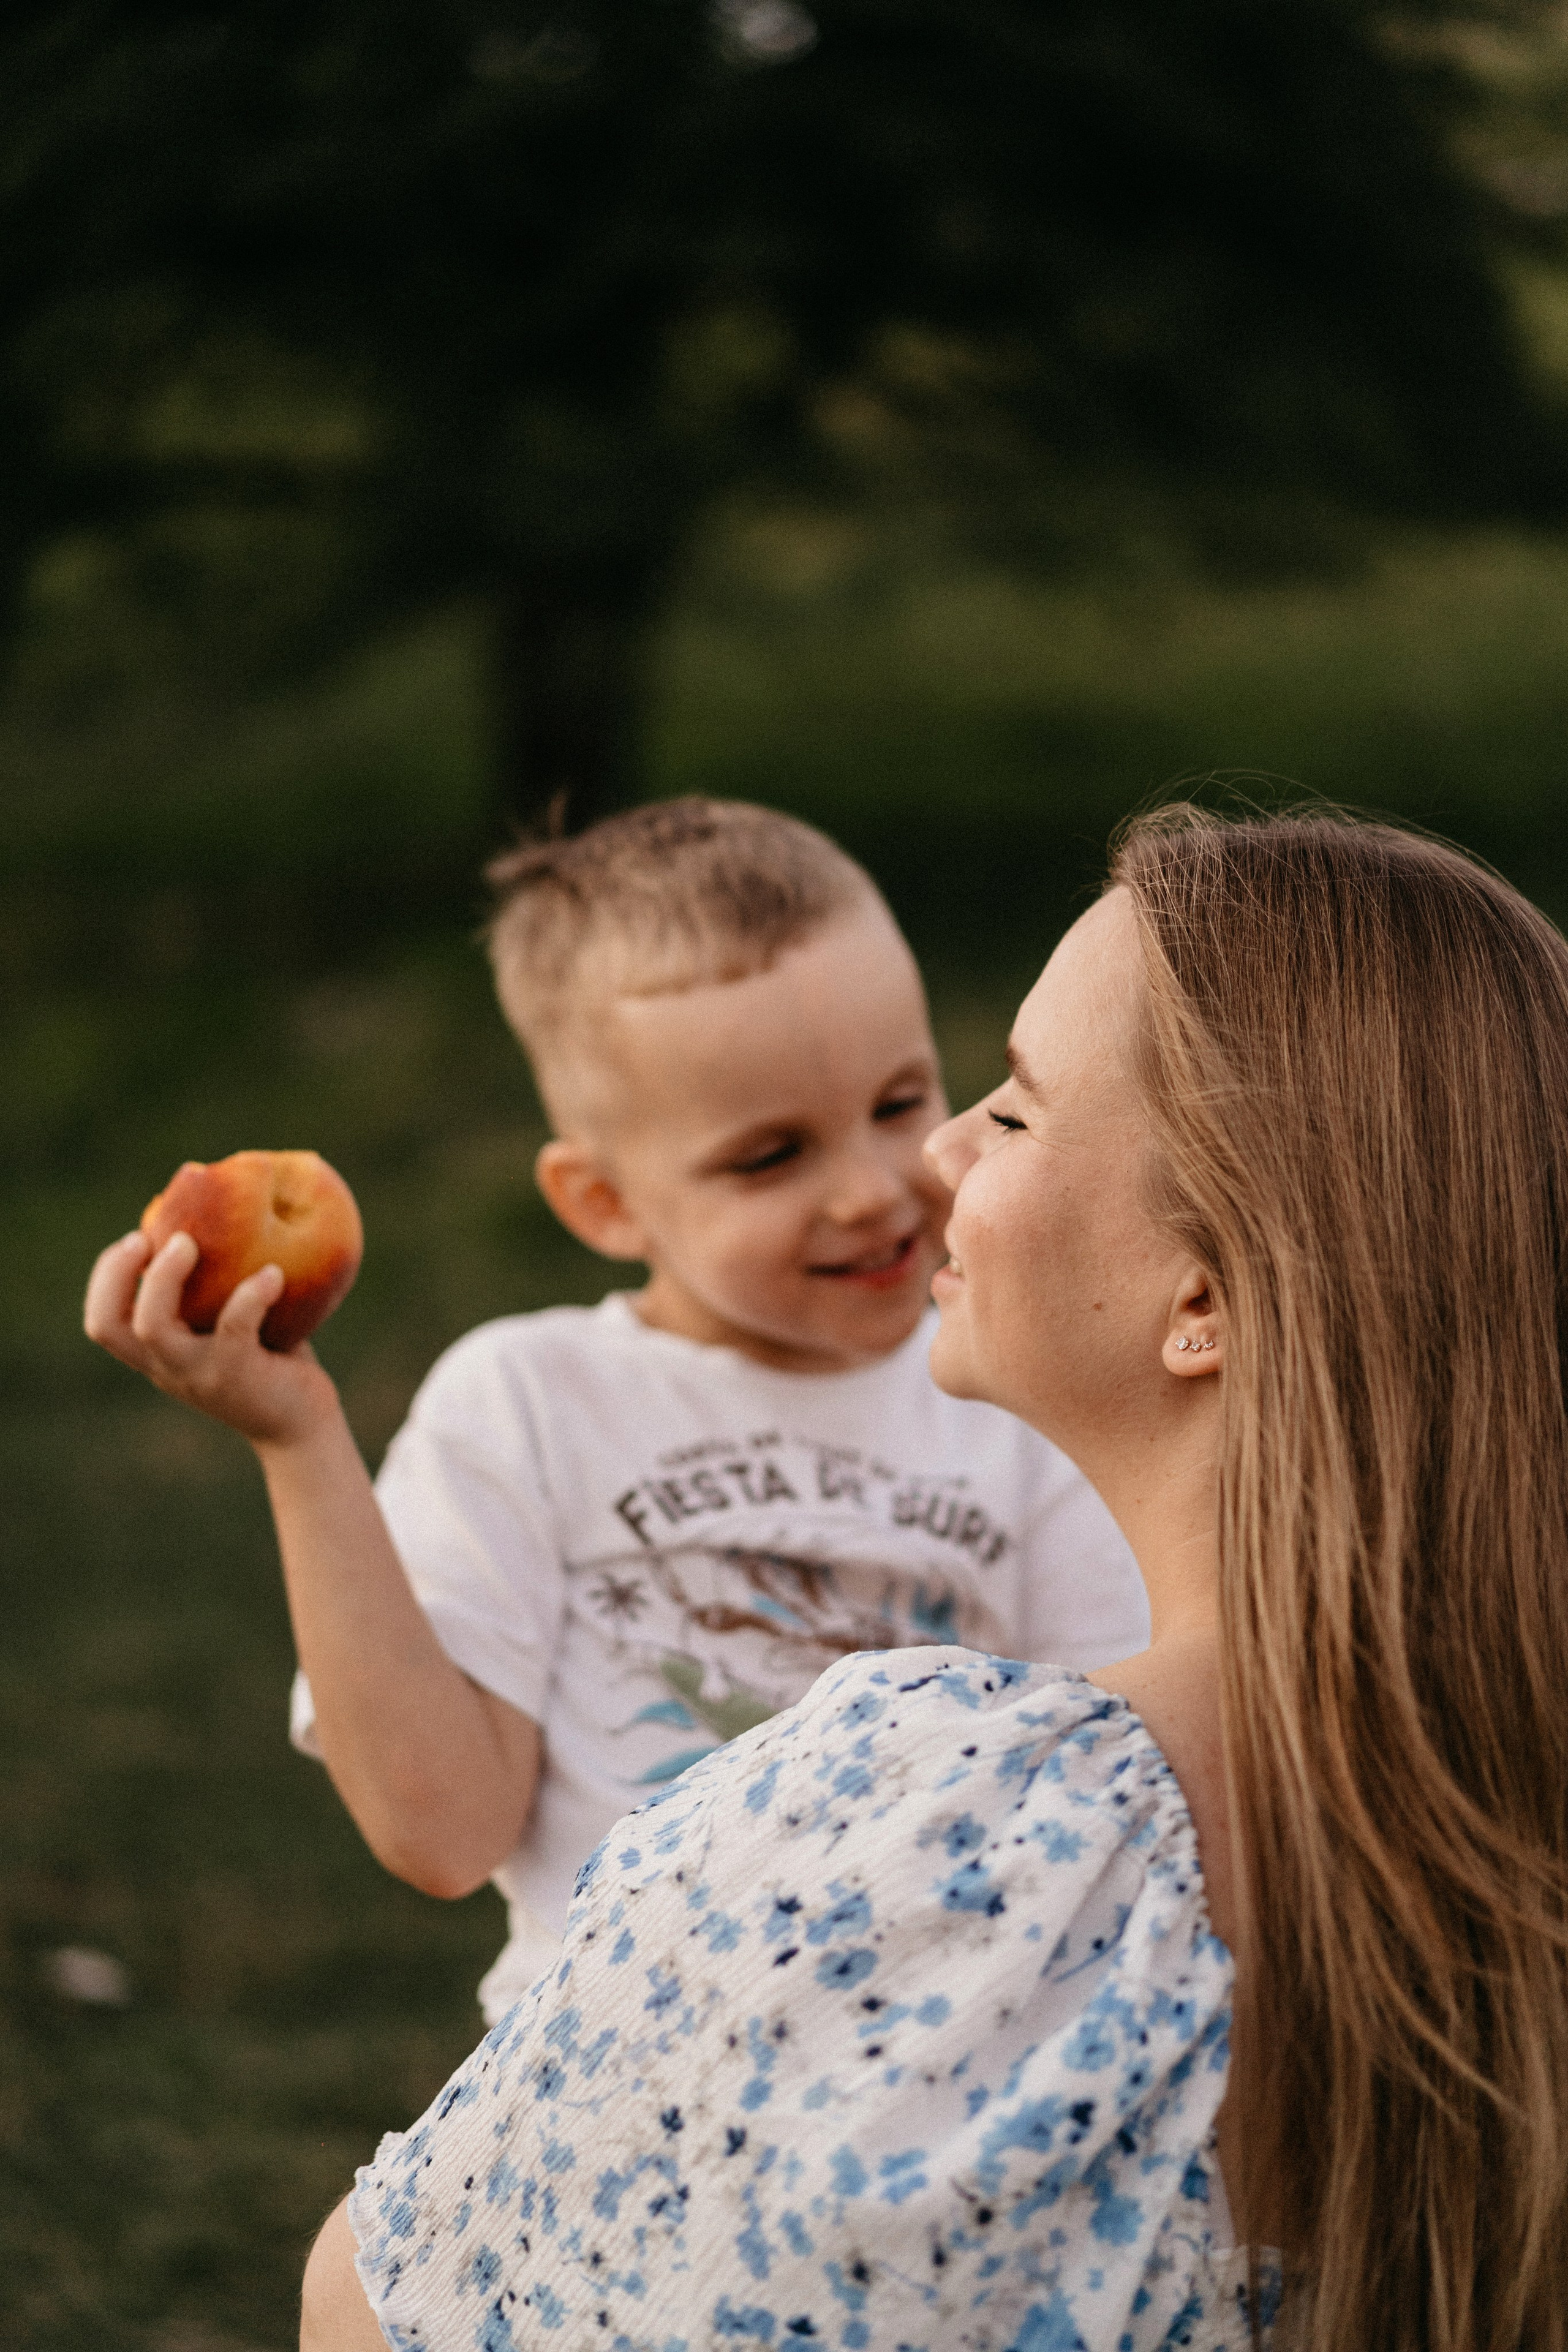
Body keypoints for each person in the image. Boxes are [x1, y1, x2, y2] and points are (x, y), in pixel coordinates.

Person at [302, 806, 1568, 2352]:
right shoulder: (1502, 1826)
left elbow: (379, 2309)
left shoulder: (937, 1803)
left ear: (1202, 1297)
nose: (935, 1154)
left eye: (1013, 1112)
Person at [83, 798, 1145, 2025]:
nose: (869, 1190)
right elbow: (439, 1830)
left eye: (899, 1104)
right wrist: (298, 1438)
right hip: (614, 2064)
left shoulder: (1018, 1402)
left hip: (932, 2059)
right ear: (601, 1203)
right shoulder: (529, 1404)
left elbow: (1115, 1792)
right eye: (768, 1156)